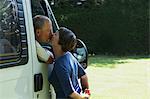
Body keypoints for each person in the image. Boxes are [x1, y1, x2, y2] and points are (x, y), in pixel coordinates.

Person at [48, 27, 90, 99]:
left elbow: (71, 93)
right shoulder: (69, 56)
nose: (52, 34)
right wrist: (87, 92)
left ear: (60, 42)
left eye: (56, 34)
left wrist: (84, 98)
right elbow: (84, 76)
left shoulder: (60, 64)